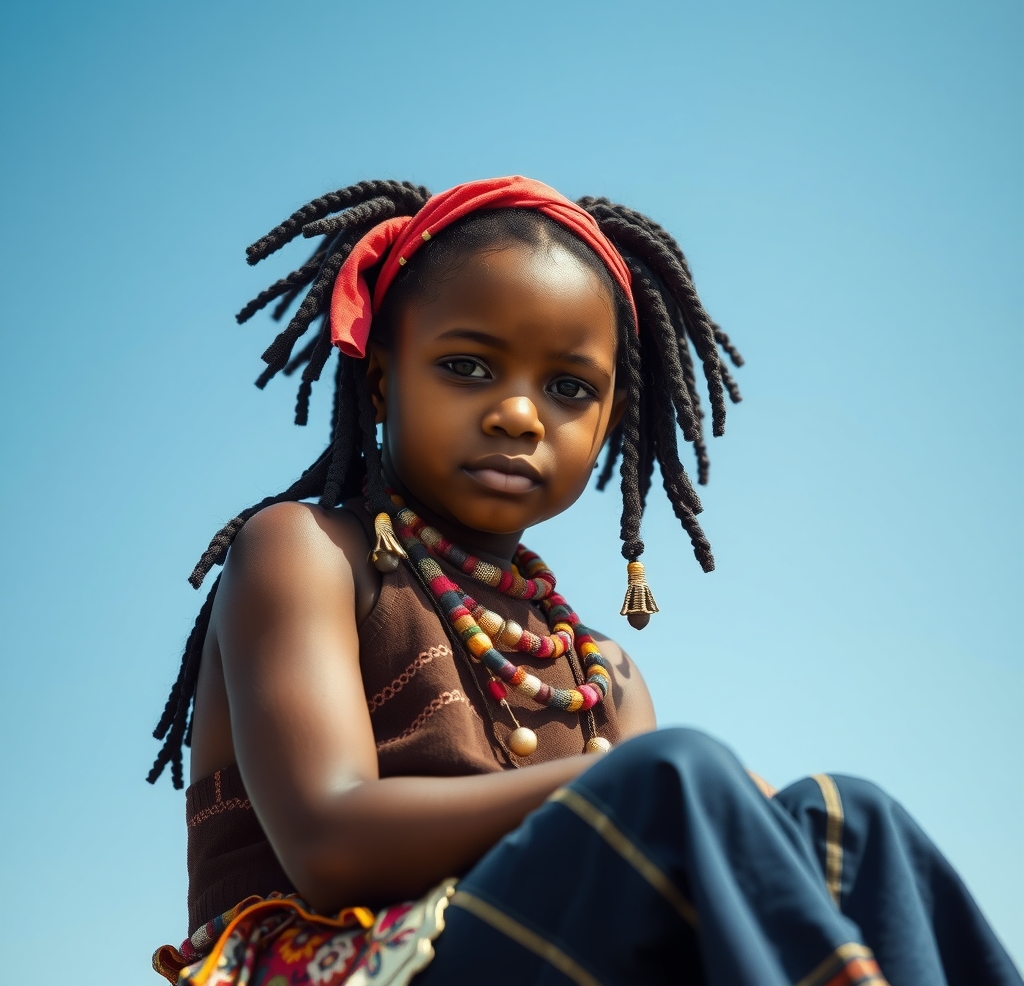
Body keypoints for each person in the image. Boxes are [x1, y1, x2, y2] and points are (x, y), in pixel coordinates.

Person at [149, 177, 1020, 986]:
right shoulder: (304, 553)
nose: (518, 413)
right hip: (338, 966)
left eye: (568, 387)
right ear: (380, 382)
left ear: (609, 424)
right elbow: (327, 841)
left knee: (846, 821)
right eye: (467, 366)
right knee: (676, 773)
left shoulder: (603, 671)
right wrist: (614, 781)